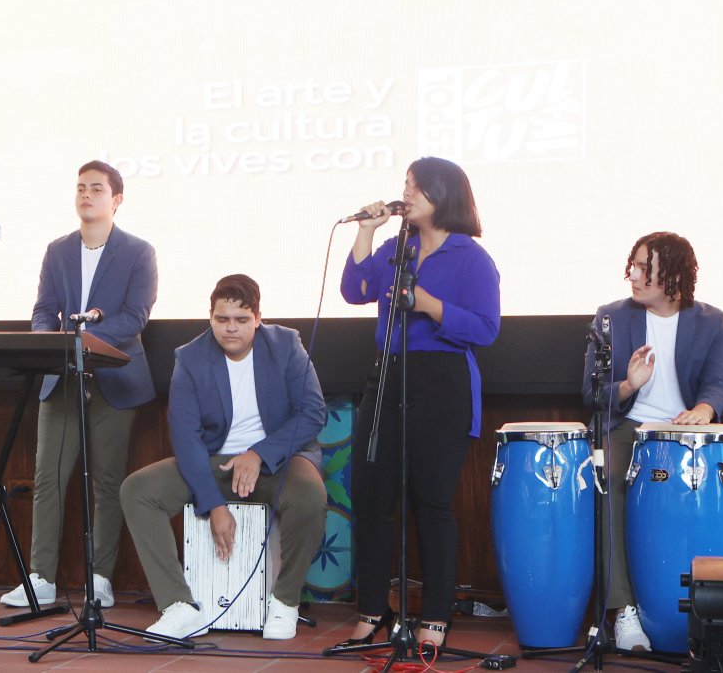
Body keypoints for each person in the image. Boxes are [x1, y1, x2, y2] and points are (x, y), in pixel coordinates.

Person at [338, 156, 501, 650]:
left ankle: (434, 618)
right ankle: (372, 613)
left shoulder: (472, 258)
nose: (405, 195)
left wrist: (430, 305)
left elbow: (487, 329)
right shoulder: (397, 247)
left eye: (416, 187)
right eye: (405, 185)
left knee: (431, 502)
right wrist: (366, 233)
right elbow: (353, 290)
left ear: (443, 195)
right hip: (388, 376)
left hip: (442, 382)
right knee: (370, 496)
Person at [120, 274, 327, 640]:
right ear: (210, 316)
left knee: (310, 495)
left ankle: (284, 602)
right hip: (215, 461)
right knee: (138, 490)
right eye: (222, 319)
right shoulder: (190, 358)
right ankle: (177, 605)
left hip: (278, 460)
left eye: (242, 320)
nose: (231, 329)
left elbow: (312, 413)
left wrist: (259, 454)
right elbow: (185, 438)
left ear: (259, 318)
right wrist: (213, 505)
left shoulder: (287, 345)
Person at [1, 160, 158, 609]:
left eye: (96, 189)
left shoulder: (139, 251)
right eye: (80, 188)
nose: (86, 195)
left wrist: (85, 342)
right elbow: (43, 309)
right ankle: (41, 577)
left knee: (107, 482)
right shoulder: (57, 250)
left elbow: (135, 317)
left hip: (115, 379)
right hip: (62, 379)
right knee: (47, 478)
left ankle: (100, 577)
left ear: (116, 200)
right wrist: (47, 343)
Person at [581, 231, 723, 652]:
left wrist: (703, 409)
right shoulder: (610, 317)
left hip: (687, 429)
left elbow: (718, 382)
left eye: (645, 268)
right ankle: (623, 611)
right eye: (634, 264)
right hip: (632, 428)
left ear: (675, 277)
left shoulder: (711, 321)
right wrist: (629, 384)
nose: (634, 274)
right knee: (607, 478)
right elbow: (591, 394)